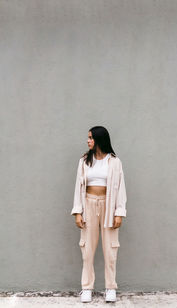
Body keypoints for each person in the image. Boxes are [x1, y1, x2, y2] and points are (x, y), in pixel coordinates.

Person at [71, 126, 127, 303]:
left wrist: (119, 212)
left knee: (110, 249)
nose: (88, 141)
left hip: (108, 207)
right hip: (88, 204)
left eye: (90, 138)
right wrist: (78, 212)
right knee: (87, 249)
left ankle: (110, 287)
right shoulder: (84, 161)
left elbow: (121, 189)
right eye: (87, 137)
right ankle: (86, 287)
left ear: (99, 139)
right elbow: (78, 188)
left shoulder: (114, 162)